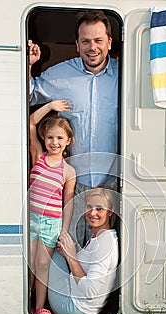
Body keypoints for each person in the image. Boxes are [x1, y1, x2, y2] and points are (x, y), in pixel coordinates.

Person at [28, 10, 119, 248]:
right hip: (73, 183)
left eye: (98, 40)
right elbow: (28, 94)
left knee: (110, 254)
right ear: (77, 45)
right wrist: (28, 65)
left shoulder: (124, 75)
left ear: (109, 43)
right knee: (70, 247)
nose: (93, 47)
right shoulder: (60, 74)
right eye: (86, 41)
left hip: (114, 182)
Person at [29, 101, 76, 314]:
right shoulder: (38, 156)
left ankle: (40, 307)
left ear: (68, 141)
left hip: (51, 223)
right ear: (44, 139)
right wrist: (51, 106)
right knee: (28, 263)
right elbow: (31, 122)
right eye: (50, 137)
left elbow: (68, 202)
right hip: (30, 219)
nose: (54, 142)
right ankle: (23, 303)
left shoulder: (68, 170)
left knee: (42, 264)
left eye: (59, 138)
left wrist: (63, 230)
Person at [47, 187, 119, 314]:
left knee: (49, 251)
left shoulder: (105, 243)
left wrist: (71, 256)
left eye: (99, 209)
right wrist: (67, 254)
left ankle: (37, 305)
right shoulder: (99, 236)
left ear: (110, 211)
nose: (92, 213)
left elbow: (90, 291)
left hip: (74, 306)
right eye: (89, 207)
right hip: (79, 302)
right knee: (57, 252)